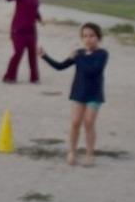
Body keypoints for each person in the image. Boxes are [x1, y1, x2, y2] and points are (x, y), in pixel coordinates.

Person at [40, 23, 109, 166]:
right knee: (75, 122)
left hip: (94, 94)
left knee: (89, 123)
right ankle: (72, 151)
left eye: (91, 36)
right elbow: (60, 67)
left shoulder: (102, 54)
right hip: (79, 92)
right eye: (85, 36)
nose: (88, 39)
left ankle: (89, 154)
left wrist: (78, 58)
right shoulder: (79, 53)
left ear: (98, 38)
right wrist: (44, 56)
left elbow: (93, 70)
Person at [3, 0, 43, 84]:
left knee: (32, 54)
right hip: (18, 29)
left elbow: (34, 9)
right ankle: (9, 76)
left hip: (31, 30)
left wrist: (39, 18)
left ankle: (34, 77)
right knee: (18, 53)